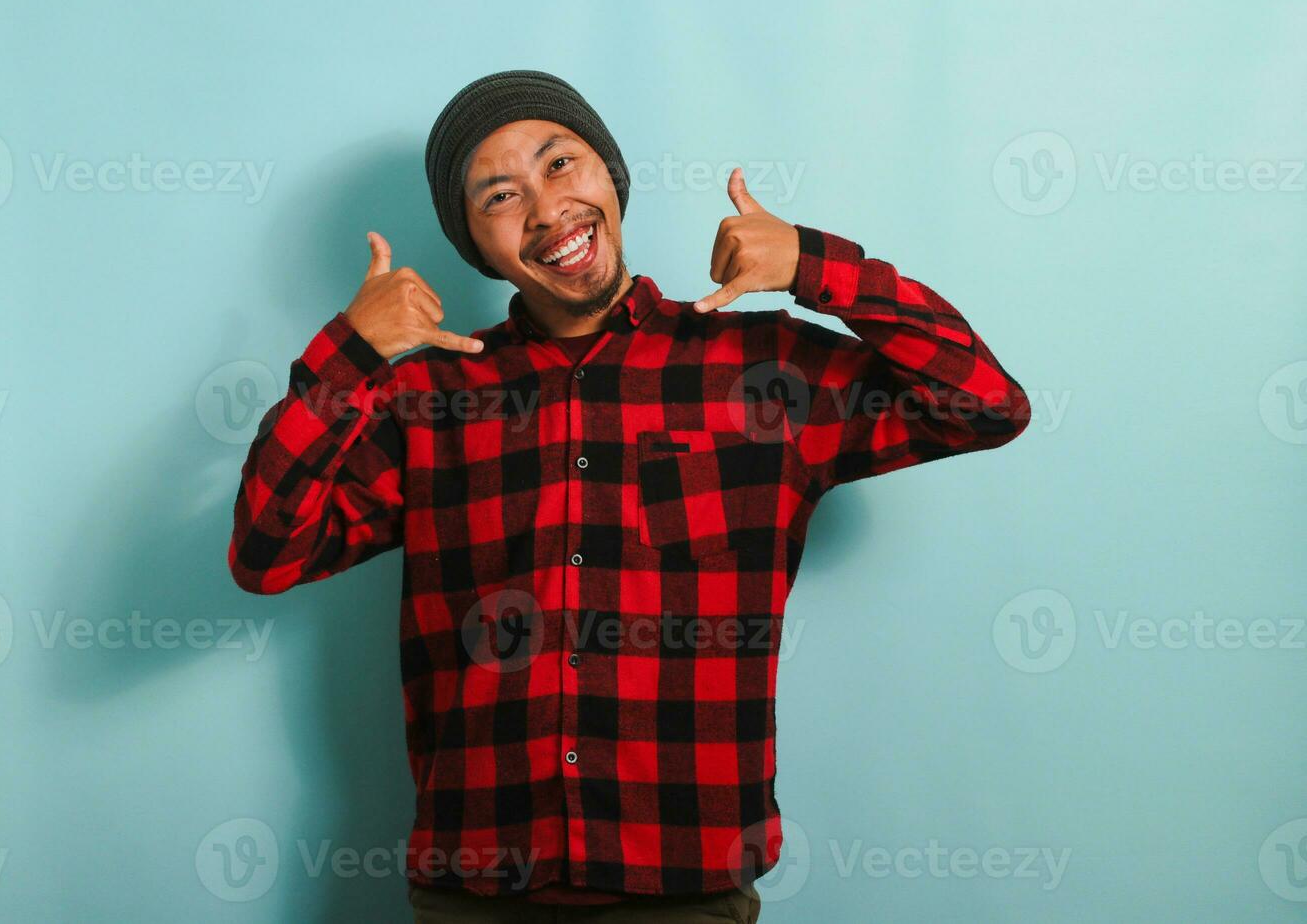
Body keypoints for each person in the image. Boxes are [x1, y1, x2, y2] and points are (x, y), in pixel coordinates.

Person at [228, 69, 1031, 922]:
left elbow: (984, 404)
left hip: (684, 885)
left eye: (561, 164)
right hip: (477, 887)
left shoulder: (765, 374)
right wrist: (350, 353)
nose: (545, 209)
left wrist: (813, 265)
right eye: (500, 194)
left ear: (610, 175)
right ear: (473, 241)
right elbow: (266, 555)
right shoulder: (428, 400)